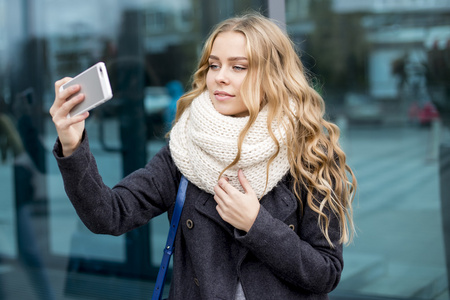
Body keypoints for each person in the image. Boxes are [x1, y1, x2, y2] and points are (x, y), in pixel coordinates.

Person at [50, 12, 356, 300]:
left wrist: (256, 224)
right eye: (214, 65)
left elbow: (325, 273)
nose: (220, 77)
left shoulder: (308, 153)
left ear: (272, 76)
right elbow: (108, 214)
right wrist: (72, 144)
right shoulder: (184, 149)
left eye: (238, 66)